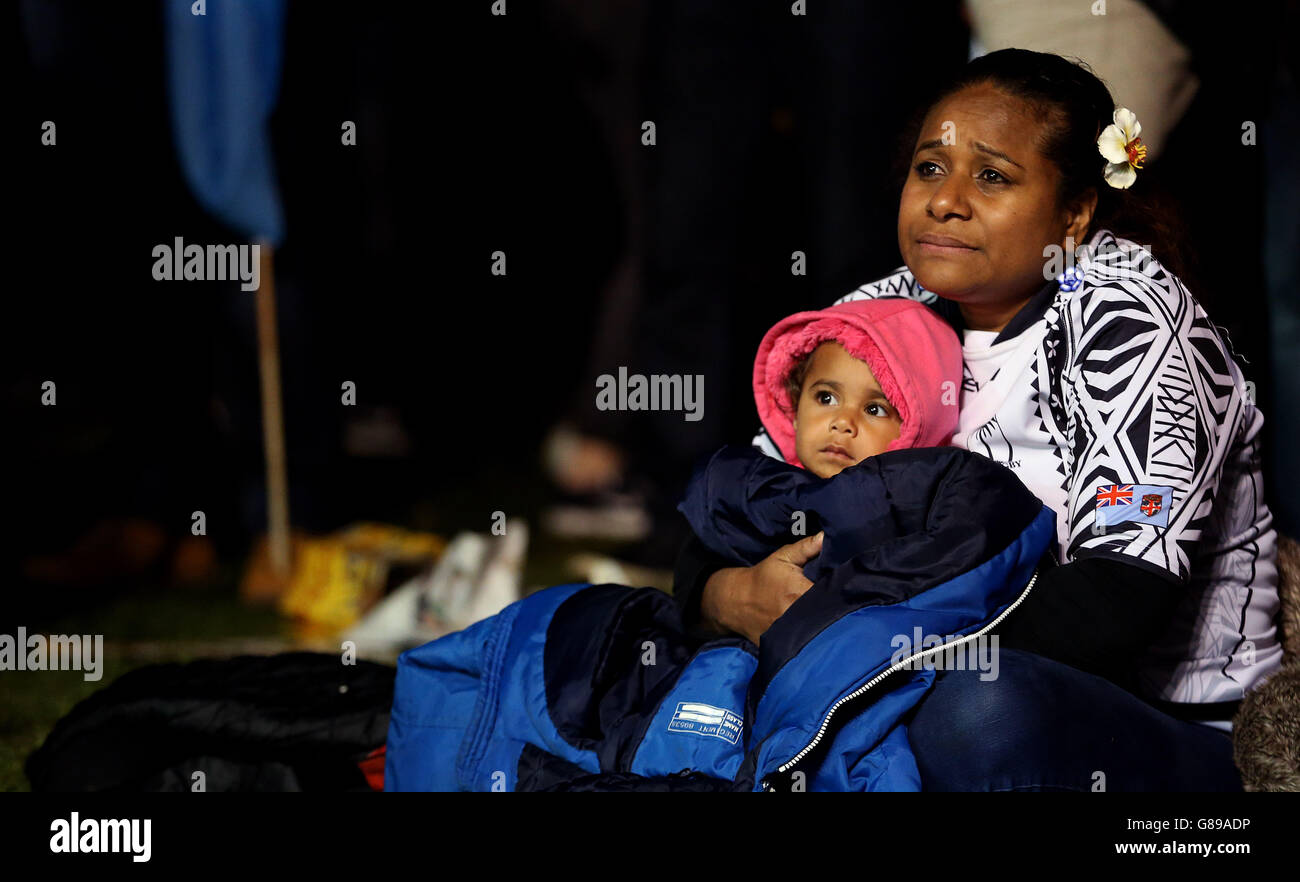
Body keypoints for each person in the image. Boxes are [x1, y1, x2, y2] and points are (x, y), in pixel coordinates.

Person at [673, 48, 1280, 791]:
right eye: (930, 168)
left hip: (1155, 724)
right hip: (885, 665)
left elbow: (1115, 607)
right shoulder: (877, 313)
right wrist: (725, 595)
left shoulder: (1136, 324)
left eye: (991, 177)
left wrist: (849, 644)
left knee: (976, 710)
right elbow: (741, 511)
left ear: (1076, 211)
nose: (946, 200)